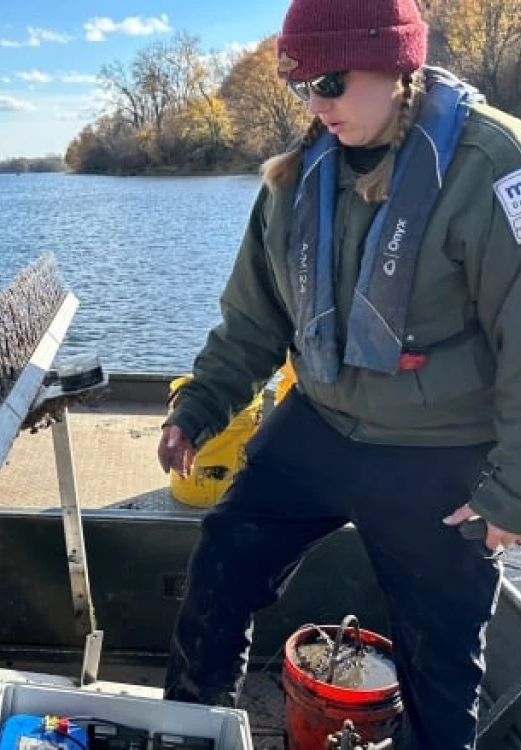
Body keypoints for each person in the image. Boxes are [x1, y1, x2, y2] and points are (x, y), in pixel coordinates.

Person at [157, 0, 521, 748]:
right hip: (321, 422)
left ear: (396, 65)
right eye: (301, 88)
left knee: (441, 666)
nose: (317, 105)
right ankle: (194, 729)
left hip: (439, 451)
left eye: (329, 80)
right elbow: (254, 318)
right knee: (223, 554)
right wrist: (196, 408)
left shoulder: (495, 166)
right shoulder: (297, 174)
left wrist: (510, 495)